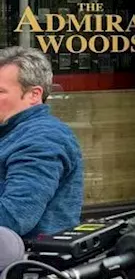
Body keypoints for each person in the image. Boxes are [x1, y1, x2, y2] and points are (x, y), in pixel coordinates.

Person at [0, 47, 84, 240]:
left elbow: (13, 217)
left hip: (28, 263)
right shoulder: (9, 131)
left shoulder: (43, 138)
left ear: (34, 95)